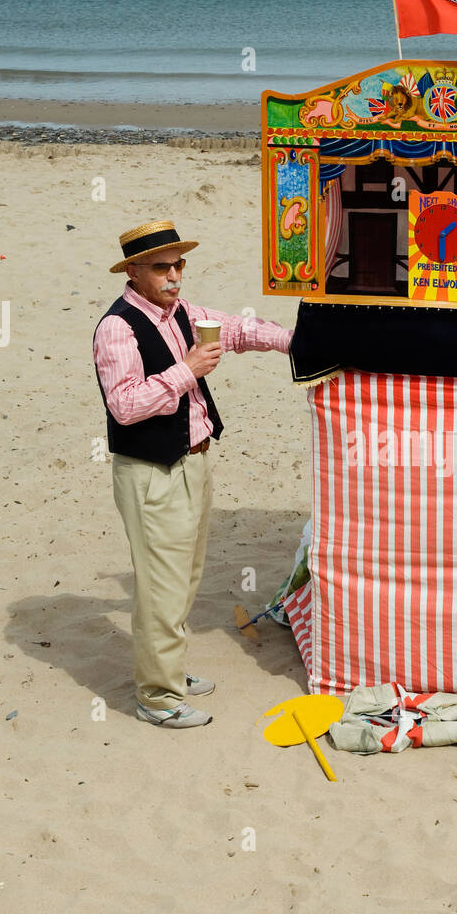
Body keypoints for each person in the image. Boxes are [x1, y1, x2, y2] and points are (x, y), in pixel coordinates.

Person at [93, 219, 293, 728]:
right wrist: (188, 370)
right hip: (151, 471)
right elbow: (125, 406)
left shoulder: (181, 312)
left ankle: (168, 672)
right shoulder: (118, 327)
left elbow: (239, 330)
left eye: (179, 264)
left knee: (184, 578)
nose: (175, 275)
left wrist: (295, 340)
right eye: (162, 267)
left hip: (194, 459)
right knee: (161, 586)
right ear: (134, 272)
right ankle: (157, 698)